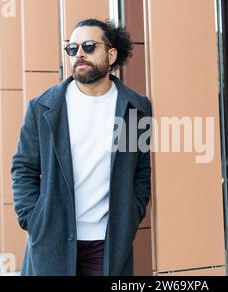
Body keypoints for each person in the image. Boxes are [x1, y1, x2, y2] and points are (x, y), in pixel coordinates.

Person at [11, 19, 152, 276]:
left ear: (111, 55)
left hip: (108, 242)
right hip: (52, 238)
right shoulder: (42, 107)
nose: (80, 54)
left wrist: (133, 213)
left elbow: (141, 170)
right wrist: (33, 219)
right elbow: (23, 168)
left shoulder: (136, 108)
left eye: (88, 46)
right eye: (72, 49)